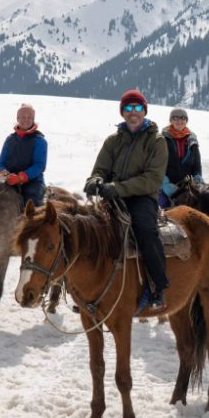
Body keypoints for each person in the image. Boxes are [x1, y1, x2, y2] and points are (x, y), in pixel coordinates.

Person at [83, 89, 169, 313]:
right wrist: (95, 180)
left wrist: (118, 188)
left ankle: (157, 286)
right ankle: (86, 288)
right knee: (87, 228)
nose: (133, 112)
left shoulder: (156, 141)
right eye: (129, 108)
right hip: (113, 196)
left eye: (138, 108)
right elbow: (101, 168)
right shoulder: (113, 140)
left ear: (144, 111)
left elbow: (152, 179)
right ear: (122, 112)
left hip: (142, 197)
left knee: (145, 230)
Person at [0, 103, 47, 207]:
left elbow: (39, 165)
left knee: (31, 201)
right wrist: (6, 175)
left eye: (29, 117)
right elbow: (1, 163)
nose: (26, 120)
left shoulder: (39, 141)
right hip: (9, 179)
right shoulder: (10, 139)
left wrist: (21, 177)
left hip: (32, 180)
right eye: (23, 117)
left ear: (33, 119)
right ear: (17, 118)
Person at [160, 107, 203, 209]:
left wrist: (197, 177)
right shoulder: (162, 139)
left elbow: (197, 163)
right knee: (162, 206)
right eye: (175, 118)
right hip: (167, 185)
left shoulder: (192, 140)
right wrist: (164, 183)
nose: (179, 121)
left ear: (186, 121)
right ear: (171, 120)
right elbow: (157, 164)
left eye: (183, 118)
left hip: (187, 184)